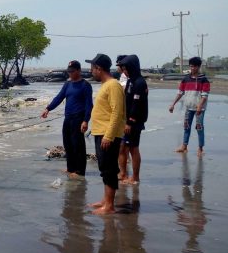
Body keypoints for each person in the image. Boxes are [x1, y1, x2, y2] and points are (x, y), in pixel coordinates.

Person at [86, 54, 126, 215]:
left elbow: (117, 112)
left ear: (99, 68)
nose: (91, 72)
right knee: (104, 167)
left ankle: (109, 206)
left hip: (107, 134)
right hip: (100, 132)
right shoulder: (105, 85)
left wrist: (109, 136)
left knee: (109, 168)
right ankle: (105, 200)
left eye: (92, 69)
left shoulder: (113, 85)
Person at [41, 60, 93, 178]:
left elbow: (89, 105)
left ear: (79, 71)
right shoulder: (67, 84)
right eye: (68, 71)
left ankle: (80, 171)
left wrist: (86, 120)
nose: (70, 73)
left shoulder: (85, 85)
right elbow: (59, 98)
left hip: (79, 119)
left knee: (78, 145)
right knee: (68, 144)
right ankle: (71, 168)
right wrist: (48, 109)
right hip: (68, 118)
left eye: (72, 71)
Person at [168, 57, 210, 157]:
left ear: (199, 67)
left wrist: (199, 106)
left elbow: (204, 96)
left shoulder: (204, 80)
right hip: (188, 107)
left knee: (199, 127)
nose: (192, 68)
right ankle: (184, 146)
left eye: (194, 66)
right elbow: (180, 93)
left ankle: (200, 148)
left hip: (200, 108)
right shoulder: (186, 79)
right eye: (191, 66)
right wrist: (173, 104)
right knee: (186, 126)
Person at [117, 55, 148, 185]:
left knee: (133, 148)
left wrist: (130, 122)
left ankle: (135, 177)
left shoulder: (139, 82)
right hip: (126, 120)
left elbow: (136, 104)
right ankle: (123, 173)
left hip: (134, 122)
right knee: (122, 147)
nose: (124, 71)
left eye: (126, 68)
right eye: (123, 69)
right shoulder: (130, 81)